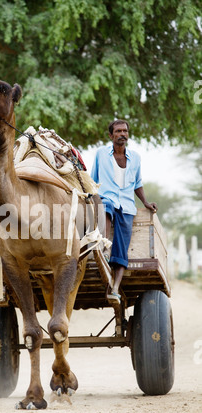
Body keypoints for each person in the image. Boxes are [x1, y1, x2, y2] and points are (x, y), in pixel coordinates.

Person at [91, 119, 157, 303]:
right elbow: (93, 180)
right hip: (107, 198)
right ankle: (104, 247)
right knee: (107, 206)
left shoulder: (135, 158)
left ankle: (114, 288)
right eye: (118, 131)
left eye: (125, 131)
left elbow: (137, 184)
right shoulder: (100, 155)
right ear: (110, 136)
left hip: (127, 205)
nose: (122, 134)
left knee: (121, 251)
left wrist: (145, 202)